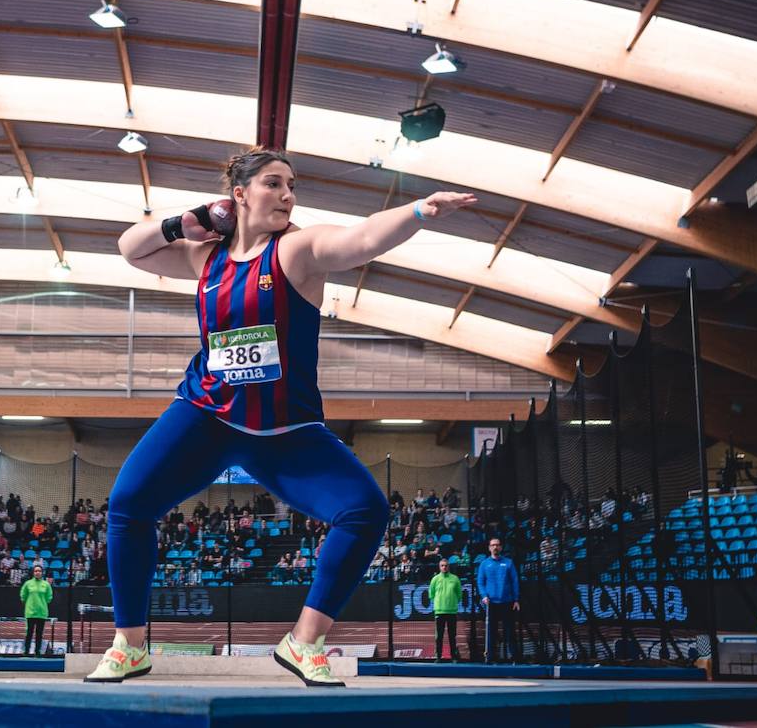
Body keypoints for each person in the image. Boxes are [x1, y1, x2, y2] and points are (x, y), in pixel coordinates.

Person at [84, 146, 476, 686]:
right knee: (128, 505)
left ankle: (304, 640)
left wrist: (417, 213)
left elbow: (360, 239)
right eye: (274, 184)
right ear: (239, 194)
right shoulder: (205, 258)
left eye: (292, 186)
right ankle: (129, 646)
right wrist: (187, 221)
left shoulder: (297, 250)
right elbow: (131, 248)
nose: (288, 194)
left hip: (285, 430)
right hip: (205, 414)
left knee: (365, 511)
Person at [477, 537, 520, 663]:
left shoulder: (508, 563)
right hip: (491, 604)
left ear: (501, 547)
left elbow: (515, 581)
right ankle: (490, 657)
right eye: (493, 545)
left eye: (498, 545)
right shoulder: (484, 564)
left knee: (510, 631)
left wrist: (516, 599)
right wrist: (484, 596)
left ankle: (515, 658)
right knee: (491, 632)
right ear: (489, 547)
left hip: (507, 602)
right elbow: (480, 582)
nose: (495, 547)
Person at [429, 557, 462, 662]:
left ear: (449, 566)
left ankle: (453, 657)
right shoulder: (435, 579)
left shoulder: (455, 579)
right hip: (439, 611)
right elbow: (431, 594)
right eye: (442, 565)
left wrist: (452, 603)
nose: (444, 567)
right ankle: (438, 657)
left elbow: (459, 594)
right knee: (439, 636)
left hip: (452, 611)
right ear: (439, 567)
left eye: (446, 565)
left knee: (452, 636)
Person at [19, 563, 52, 657]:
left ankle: (37, 652)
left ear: (42, 573)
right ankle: (26, 651)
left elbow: (49, 598)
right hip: (30, 613)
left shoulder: (46, 585)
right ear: (33, 572)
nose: (38, 572)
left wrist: (41, 604)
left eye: (39, 571)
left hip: (41, 613)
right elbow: (23, 596)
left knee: (39, 634)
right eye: (36, 571)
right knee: (28, 633)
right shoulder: (28, 584)